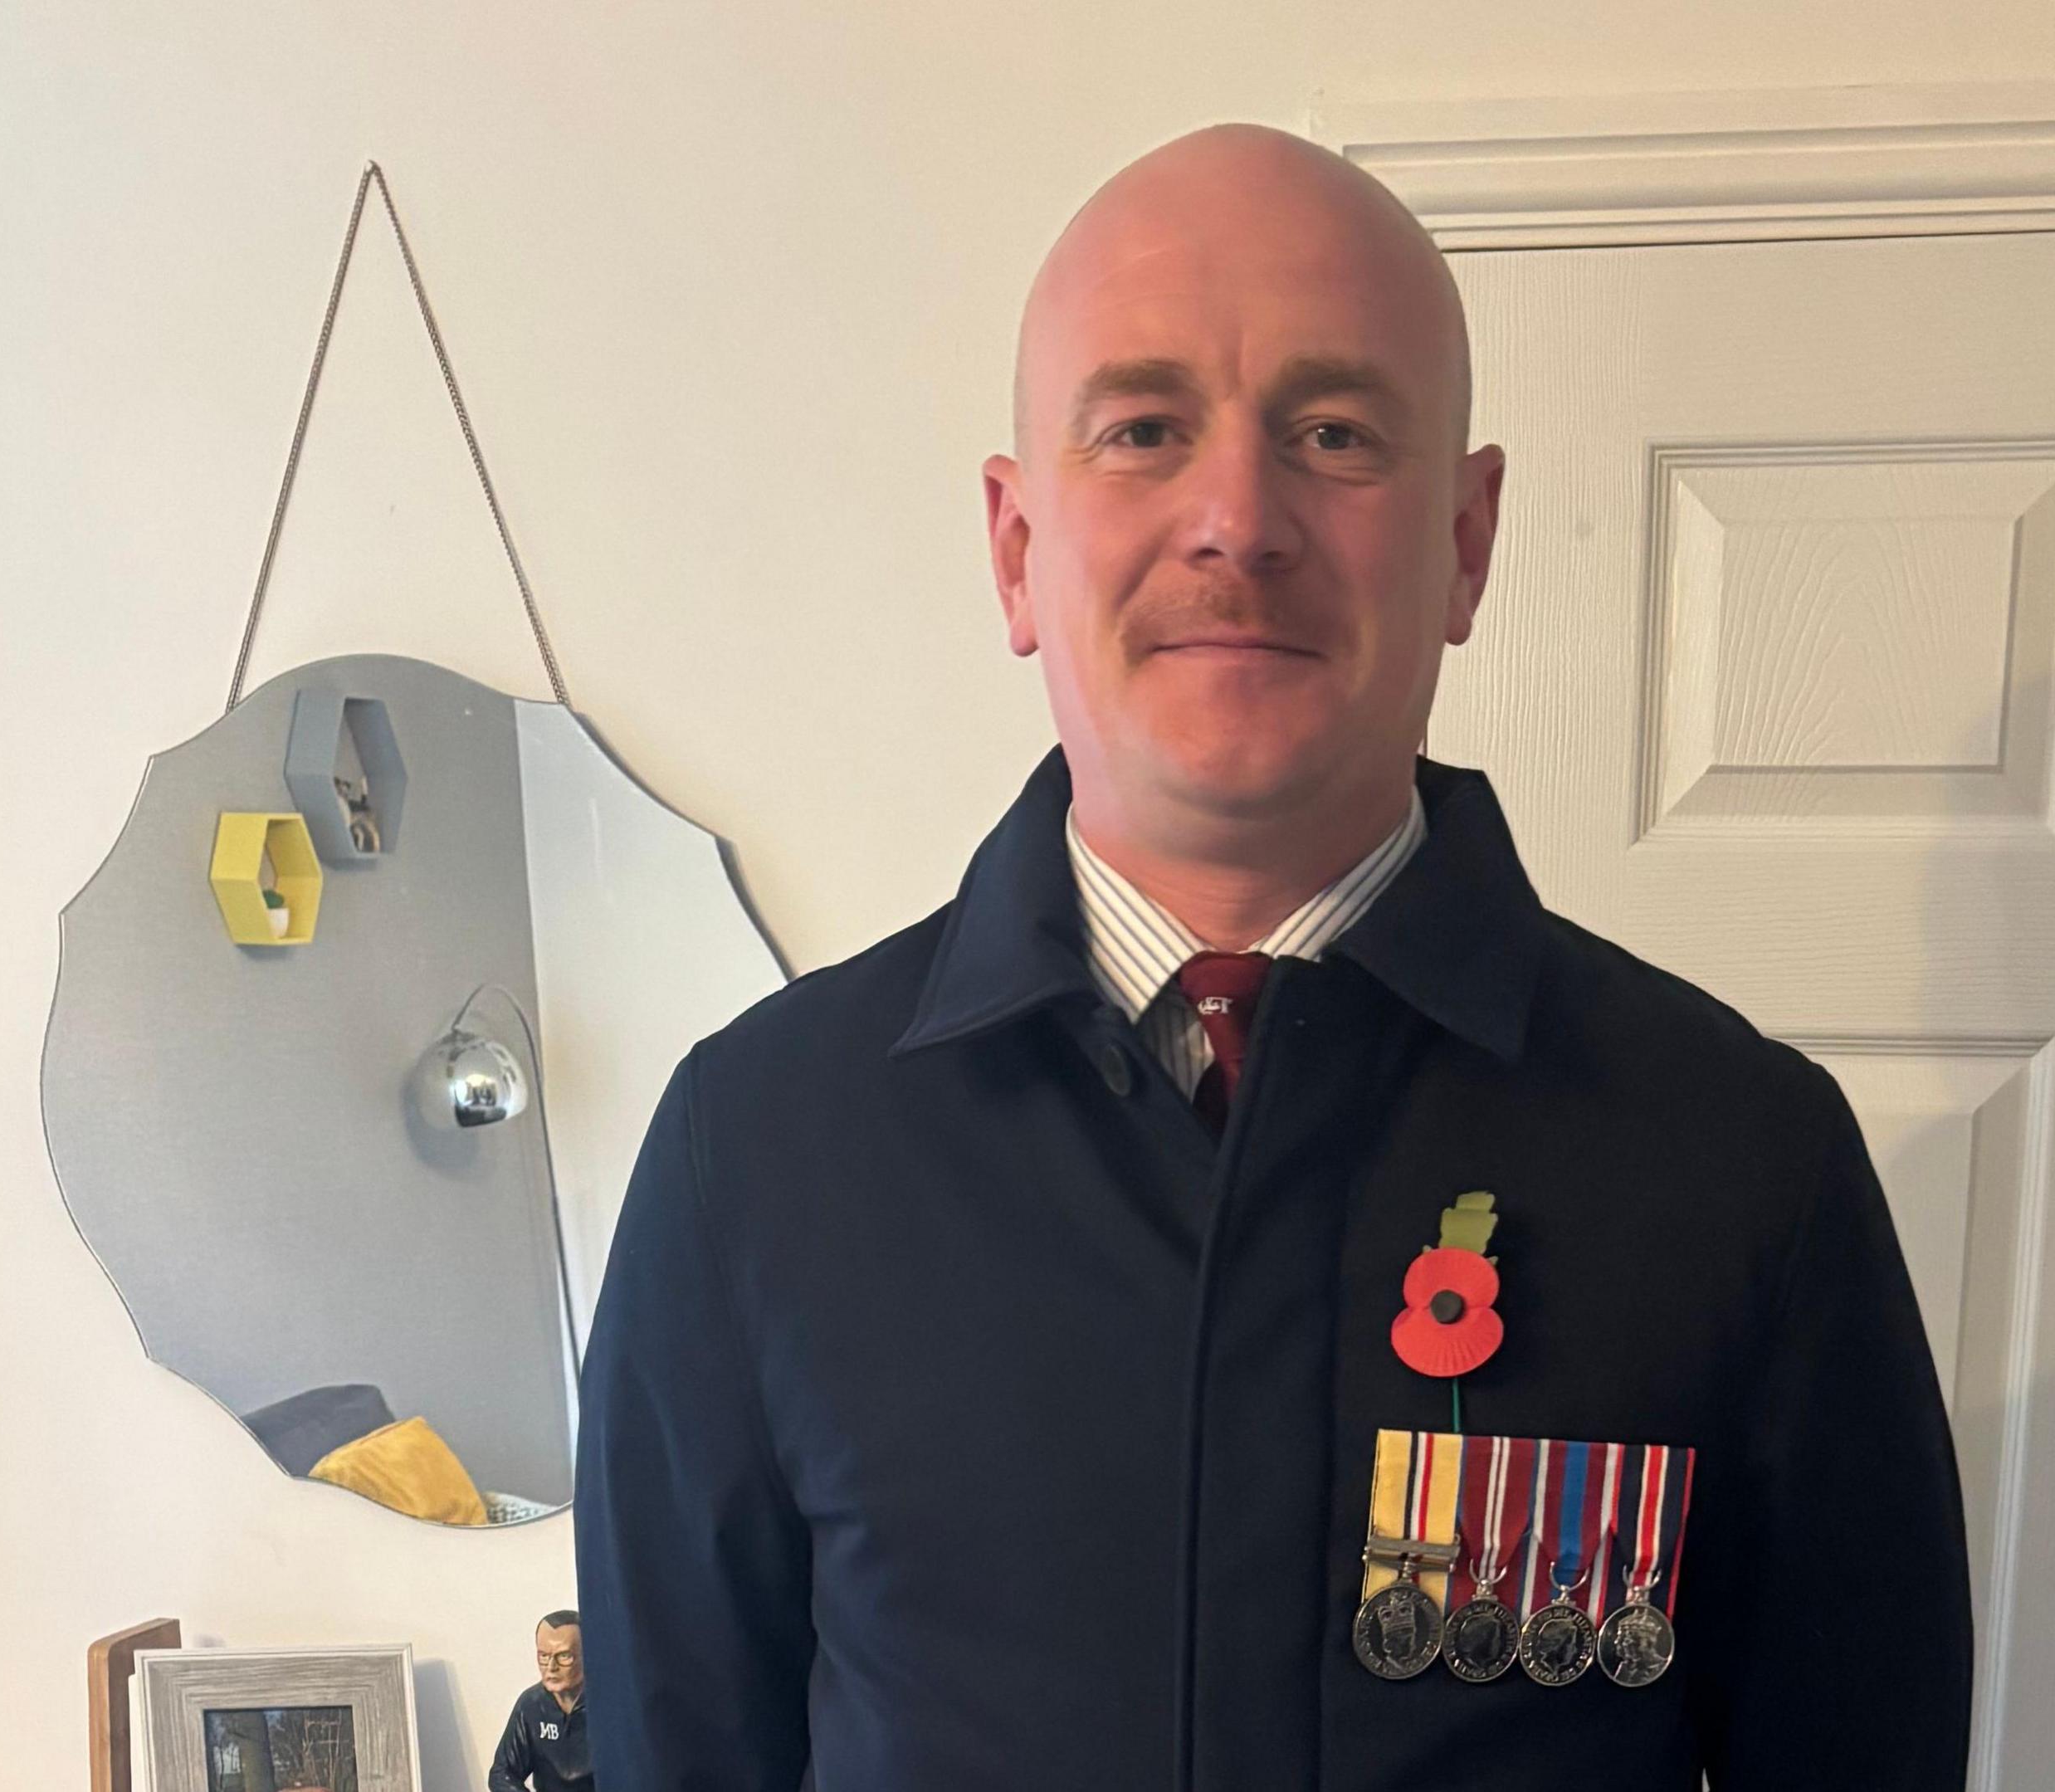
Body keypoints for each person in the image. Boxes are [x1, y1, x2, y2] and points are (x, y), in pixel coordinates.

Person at [576, 121, 1971, 1790]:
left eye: (1332, 430)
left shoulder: (1741, 1155)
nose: (1238, 517)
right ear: (1019, 548)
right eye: (1146, 429)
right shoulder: (761, 1148)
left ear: (1466, 539)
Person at [486, 1610, 591, 1792]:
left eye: (564, 1656)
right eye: (544, 1656)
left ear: (586, 1656)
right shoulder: (531, 1705)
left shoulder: (610, 1706)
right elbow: (502, 1773)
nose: (551, 1667)